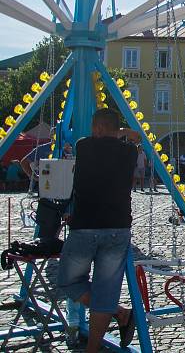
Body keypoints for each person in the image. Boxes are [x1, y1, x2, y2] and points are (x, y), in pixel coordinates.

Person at [57, 109, 139, 352]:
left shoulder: (84, 147)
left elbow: (109, 137)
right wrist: (121, 131)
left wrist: (115, 131)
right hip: (117, 227)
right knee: (106, 290)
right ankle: (106, 329)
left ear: (98, 128)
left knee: (68, 280)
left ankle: (119, 312)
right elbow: (136, 138)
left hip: (85, 226)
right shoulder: (129, 152)